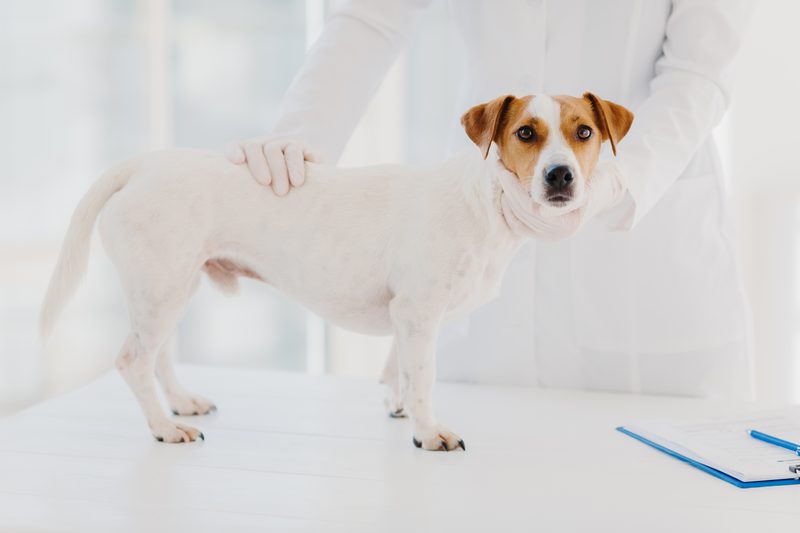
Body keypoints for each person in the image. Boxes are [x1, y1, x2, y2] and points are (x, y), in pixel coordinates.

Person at [227, 0, 755, 398]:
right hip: (473, 224)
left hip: (647, 260)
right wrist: (297, 144)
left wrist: (615, 181)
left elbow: (699, 70)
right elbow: (370, 17)